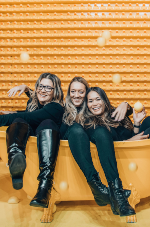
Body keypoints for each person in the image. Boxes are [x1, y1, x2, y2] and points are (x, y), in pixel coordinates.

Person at [8, 77, 132, 213]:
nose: (76, 95)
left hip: (86, 140)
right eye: (73, 91)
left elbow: (113, 113)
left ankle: (116, 194)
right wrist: (27, 89)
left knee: (101, 130)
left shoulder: (91, 108)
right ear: (68, 93)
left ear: (87, 95)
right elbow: (42, 101)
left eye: (81, 92)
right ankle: (96, 185)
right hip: (67, 138)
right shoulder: (61, 108)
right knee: (76, 129)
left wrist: (126, 105)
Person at [82, 86, 149, 216]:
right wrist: (129, 142)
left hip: (134, 151)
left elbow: (131, 136)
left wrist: (135, 123)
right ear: (86, 104)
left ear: (105, 100)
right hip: (123, 157)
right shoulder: (91, 124)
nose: (94, 103)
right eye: (90, 101)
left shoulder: (115, 113)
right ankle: (118, 195)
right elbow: (106, 144)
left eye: (98, 99)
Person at [0, 72, 64, 208]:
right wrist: (27, 89)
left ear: (55, 91)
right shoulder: (34, 103)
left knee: (46, 122)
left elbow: (31, 117)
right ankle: (16, 159)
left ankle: (45, 187)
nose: (42, 90)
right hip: (34, 148)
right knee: (18, 120)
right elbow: (29, 112)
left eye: (48, 88)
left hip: (49, 146)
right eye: (40, 86)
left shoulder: (56, 108)